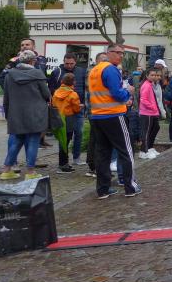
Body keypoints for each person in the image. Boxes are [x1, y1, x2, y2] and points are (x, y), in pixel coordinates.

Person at [88, 44, 141, 198]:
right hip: (114, 115)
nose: (121, 56)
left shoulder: (95, 70)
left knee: (102, 153)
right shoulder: (111, 69)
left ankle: (103, 189)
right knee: (126, 150)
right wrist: (128, 92)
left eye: (122, 53)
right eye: (118, 53)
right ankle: (130, 187)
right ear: (108, 53)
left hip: (97, 116)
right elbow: (117, 94)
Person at [0, 50, 51, 180]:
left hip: (16, 113)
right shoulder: (37, 73)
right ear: (33, 61)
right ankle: (30, 172)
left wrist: (8, 114)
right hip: (35, 113)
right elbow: (46, 94)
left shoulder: (9, 75)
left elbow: (6, 97)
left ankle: (6, 170)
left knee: (16, 141)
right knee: (33, 140)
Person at [50, 52, 88, 165]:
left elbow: (85, 87)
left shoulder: (82, 71)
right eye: (67, 63)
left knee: (79, 133)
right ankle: (63, 160)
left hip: (78, 107)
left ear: (75, 62)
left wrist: (84, 103)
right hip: (64, 110)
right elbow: (51, 89)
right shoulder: (57, 72)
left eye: (71, 63)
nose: (69, 66)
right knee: (64, 135)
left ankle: (76, 157)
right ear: (63, 61)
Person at [51, 72, 82, 173]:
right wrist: (80, 107)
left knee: (62, 141)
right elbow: (76, 109)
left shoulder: (56, 92)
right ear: (73, 82)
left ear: (62, 81)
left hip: (57, 117)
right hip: (68, 119)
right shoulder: (73, 94)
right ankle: (63, 165)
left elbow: (53, 104)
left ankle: (63, 163)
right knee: (66, 141)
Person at [139, 68, 163, 159]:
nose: (153, 77)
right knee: (146, 132)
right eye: (151, 75)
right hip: (147, 113)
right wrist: (153, 107)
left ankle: (149, 148)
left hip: (152, 112)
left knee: (155, 128)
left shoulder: (150, 84)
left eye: (154, 75)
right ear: (147, 76)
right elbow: (143, 100)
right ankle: (144, 151)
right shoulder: (146, 85)